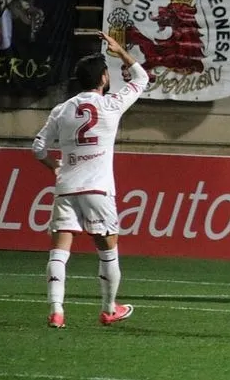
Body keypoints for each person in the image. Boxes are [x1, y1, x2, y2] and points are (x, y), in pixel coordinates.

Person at [31, 31, 149, 329]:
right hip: (98, 189)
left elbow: (37, 148)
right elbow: (141, 79)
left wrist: (55, 167)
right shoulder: (111, 105)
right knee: (108, 250)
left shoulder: (62, 109)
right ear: (104, 78)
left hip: (66, 189)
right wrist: (121, 52)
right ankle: (109, 308)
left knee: (59, 250)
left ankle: (56, 311)